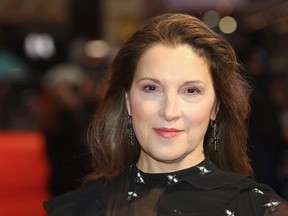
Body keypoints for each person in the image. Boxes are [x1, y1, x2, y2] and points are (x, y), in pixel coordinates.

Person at [44, 13, 288, 216]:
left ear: (215, 107)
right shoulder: (79, 209)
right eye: (151, 88)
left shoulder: (261, 210)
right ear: (128, 101)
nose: (169, 111)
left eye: (191, 90)